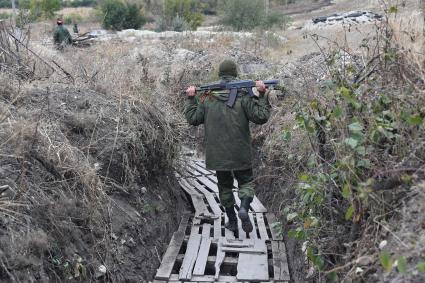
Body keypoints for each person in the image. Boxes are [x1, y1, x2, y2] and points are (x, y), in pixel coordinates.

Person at [184, 59, 271, 234]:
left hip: (218, 155)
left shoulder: (207, 97)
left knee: (224, 187)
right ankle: (244, 209)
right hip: (240, 152)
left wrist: (191, 99)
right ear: (235, 74)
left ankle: (232, 221)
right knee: (246, 182)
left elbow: (193, 119)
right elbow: (261, 117)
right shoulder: (243, 96)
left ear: (220, 75)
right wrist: (262, 95)